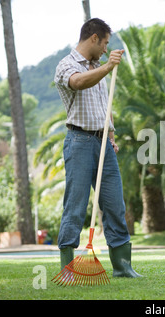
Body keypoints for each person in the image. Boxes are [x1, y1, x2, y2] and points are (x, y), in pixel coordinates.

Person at [54, 18, 140, 278]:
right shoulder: (66, 65)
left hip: (104, 143)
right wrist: (108, 67)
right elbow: (79, 83)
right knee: (76, 205)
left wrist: (111, 135)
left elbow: (105, 106)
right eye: (104, 43)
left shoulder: (98, 68)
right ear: (93, 38)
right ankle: (68, 267)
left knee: (114, 204)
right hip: (79, 142)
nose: (105, 49)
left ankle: (123, 266)